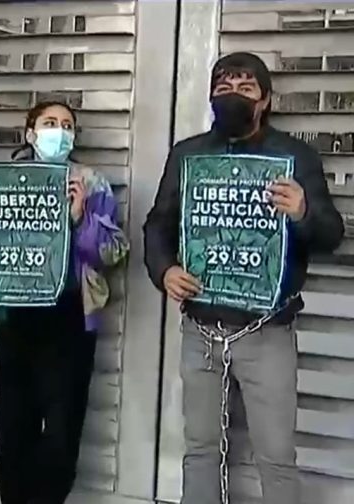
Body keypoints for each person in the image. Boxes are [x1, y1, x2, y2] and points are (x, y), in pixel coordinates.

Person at [143, 52, 344, 504]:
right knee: (199, 451)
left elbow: (332, 234)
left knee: (275, 455)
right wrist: (164, 270)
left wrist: (303, 212)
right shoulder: (187, 154)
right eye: (223, 87)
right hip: (200, 328)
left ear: (266, 100)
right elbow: (158, 224)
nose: (232, 95)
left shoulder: (296, 156)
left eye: (245, 88)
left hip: (267, 331)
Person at [0, 101, 129, 504]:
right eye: (49, 123)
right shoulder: (0, 181)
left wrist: (78, 218)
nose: (59, 131)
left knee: (61, 425)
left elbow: (112, 252)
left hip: (69, 314)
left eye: (67, 125)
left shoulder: (92, 184)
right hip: (15, 314)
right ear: (30, 133)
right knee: (14, 423)